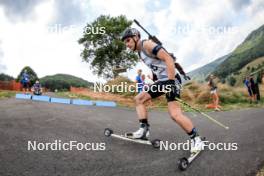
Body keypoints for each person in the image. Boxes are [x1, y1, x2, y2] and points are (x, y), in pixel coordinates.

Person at [121, 28, 204, 153]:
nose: (127, 44)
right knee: (139, 99)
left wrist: (170, 82)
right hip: (162, 81)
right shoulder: (140, 54)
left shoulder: (146, 44)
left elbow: (169, 59)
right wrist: (154, 78)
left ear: (136, 37)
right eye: (125, 43)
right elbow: (157, 66)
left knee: (175, 114)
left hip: (172, 79)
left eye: (128, 40)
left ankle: (197, 139)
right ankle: (144, 131)